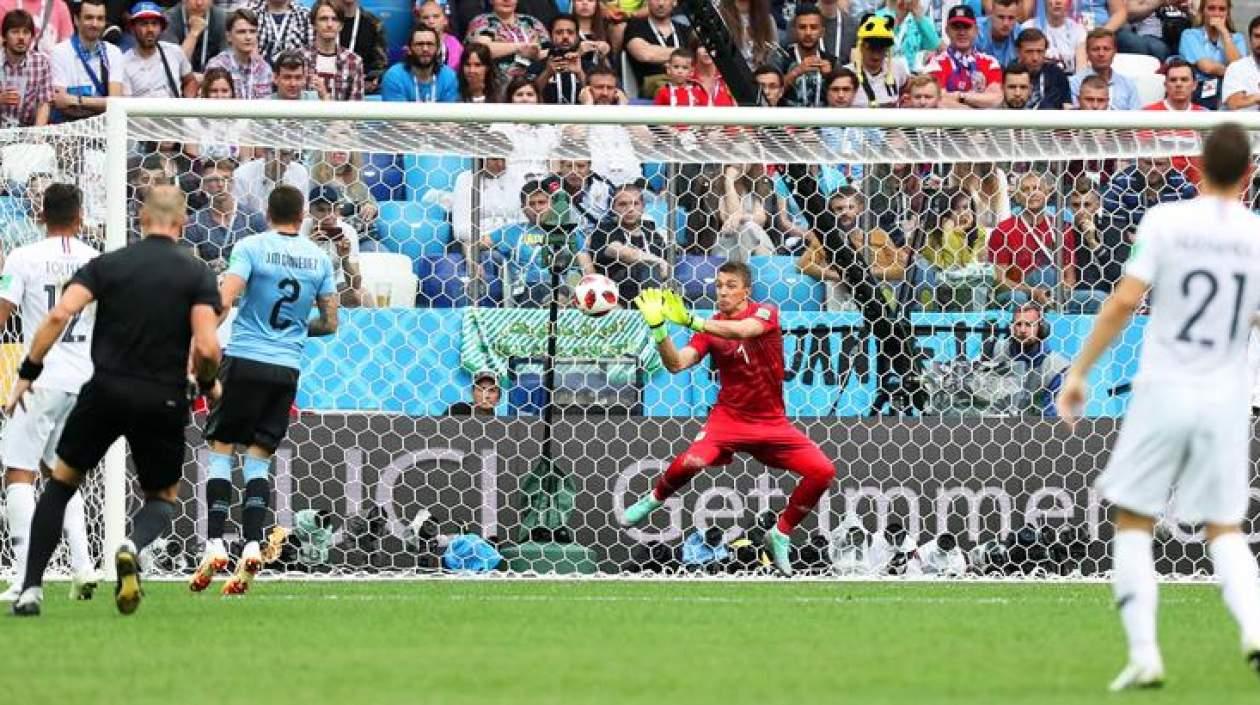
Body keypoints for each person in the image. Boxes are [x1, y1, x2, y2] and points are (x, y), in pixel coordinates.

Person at [1056, 122, 1260, 690]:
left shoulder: (1166, 221)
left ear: (1197, 168)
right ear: (1249, 174)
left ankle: (1145, 653)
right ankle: (1256, 629)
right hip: (1224, 395)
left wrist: (1078, 372)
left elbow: (1125, 299)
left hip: (1165, 388)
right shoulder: (1256, 234)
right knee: (1225, 528)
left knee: (1134, 520)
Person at [8, 185, 222, 617]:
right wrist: (208, 383)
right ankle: (129, 545)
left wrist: (27, 372)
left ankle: (30, 589)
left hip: (102, 391)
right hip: (161, 397)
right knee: (161, 497)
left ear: (141, 221)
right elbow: (207, 344)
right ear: (181, 224)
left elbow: (57, 315)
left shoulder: (106, 265)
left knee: (61, 483)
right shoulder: (196, 273)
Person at [622, 267, 837, 576]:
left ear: (746, 290)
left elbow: (743, 331)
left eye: (730, 286)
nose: (722, 291)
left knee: (823, 471)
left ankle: (781, 532)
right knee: (693, 461)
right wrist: (659, 329)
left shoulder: (765, 313)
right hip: (729, 419)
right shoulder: (711, 327)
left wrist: (692, 320)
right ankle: (653, 499)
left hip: (771, 423)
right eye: (719, 285)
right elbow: (676, 364)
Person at [190, 184, 338, 596]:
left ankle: (216, 542)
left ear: (267, 212)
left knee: (221, 446)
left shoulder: (251, 246)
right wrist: (291, 328)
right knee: (259, 456)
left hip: (245, 359)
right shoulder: (318, 257)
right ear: (303, 213)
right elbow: (330, 323)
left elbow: (225, 299)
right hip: (286, 367)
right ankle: (253, 543)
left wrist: (201, 344)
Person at [0, 184, 100, 604]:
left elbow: (3, 310)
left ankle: (24, 575)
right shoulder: (97, 261)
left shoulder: (22, 257)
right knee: (62, 474)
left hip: (41, 378)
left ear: (41, 215)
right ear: (80, 216)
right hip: (86, 380)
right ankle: (83, 564)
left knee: (17, 473)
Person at [49, 0, 123, 123]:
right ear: (76, 20)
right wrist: (101, 103)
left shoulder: (114, 52)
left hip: (102, 127)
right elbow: (60, 102)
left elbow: (115, 103)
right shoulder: (59, 52)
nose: (95, 24)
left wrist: (77, 101)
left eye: (100, 19)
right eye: (89, 18)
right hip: (66, 127)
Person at [122, 2, 196, 98]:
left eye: (154, 24)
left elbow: (190, 81)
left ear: (161, 27)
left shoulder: (174, 51)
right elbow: (126, 103)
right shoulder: (123, 62)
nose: (150, 29)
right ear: (133, 28)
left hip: (173, 111)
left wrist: (188, 103)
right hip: (140, 112)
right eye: (144, 24)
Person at [301, 0, 364, 102]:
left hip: (341, 117)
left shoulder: (354, 61)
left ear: (341, 25)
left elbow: (356, 110)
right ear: (313, 24)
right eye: (323, 19)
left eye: (334, 19)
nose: (329, 24)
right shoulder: (300, 57)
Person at [0, 9, 52, 127]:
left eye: (26, 32)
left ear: (32, 36)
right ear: (4, 36)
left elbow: (44, 104)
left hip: (27, 131)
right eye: (15, 32)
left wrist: (36, 136)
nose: (21, 37)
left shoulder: (41, 62)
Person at [205, 9, 273, 100]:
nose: (248, 37)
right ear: (228, 36)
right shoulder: (216, 65)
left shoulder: (264, 68)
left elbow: (266, 105)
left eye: (252, 31)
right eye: (241, 32)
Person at [381, 24, 458, 102]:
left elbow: (448, 113)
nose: (425, 49)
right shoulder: (394, 76)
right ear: (409, 50)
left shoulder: (449, 76)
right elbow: (398, 113)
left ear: (438, 50)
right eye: (419, 44)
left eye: (430, 44)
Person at [162, 0, 226, 78]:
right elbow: (173, 65)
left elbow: (226, 61)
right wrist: (194, 33)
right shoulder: (167, 20)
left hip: (213, 80)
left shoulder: (222, 18)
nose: (199, 3)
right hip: (179, 80)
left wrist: (206, 79)